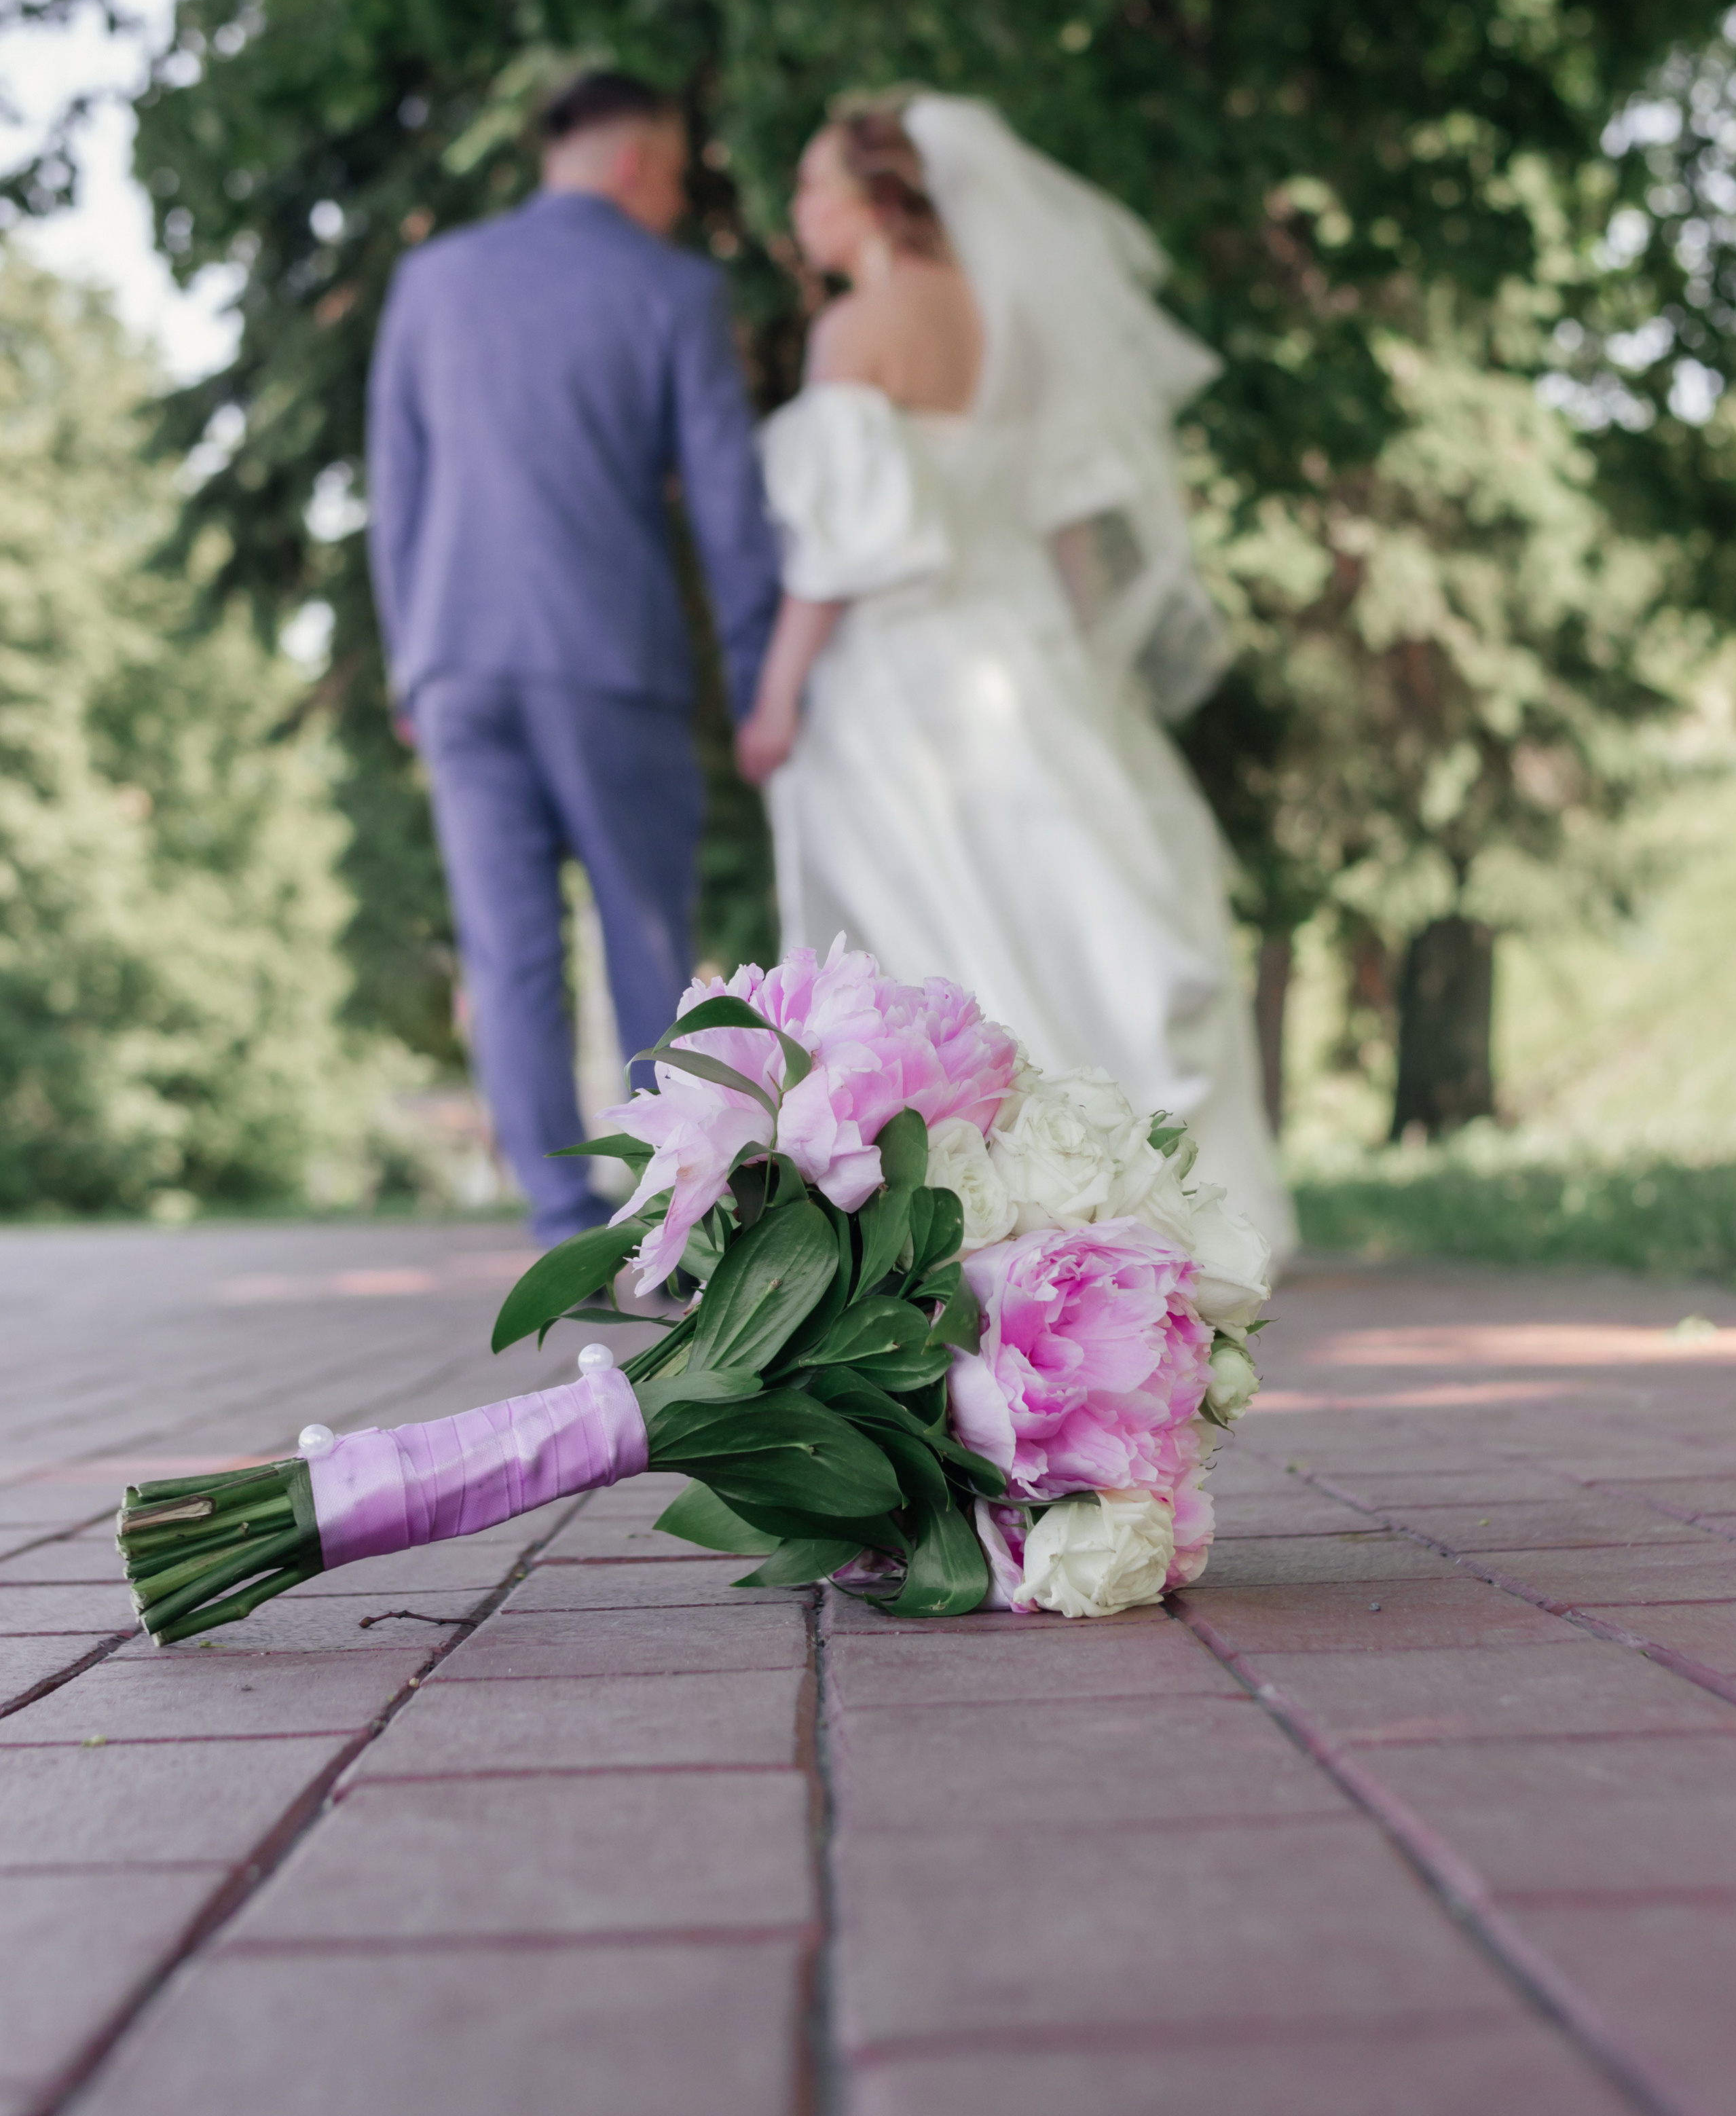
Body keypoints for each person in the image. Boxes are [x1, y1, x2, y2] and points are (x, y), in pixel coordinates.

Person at [735, 95, 1295, 1257]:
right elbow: (1074, 538)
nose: (800, 214)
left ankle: (986, 1213)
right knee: (1070, 913)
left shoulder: (856, 333)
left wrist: (778, 693)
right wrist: (1083, 670)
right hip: (1026, 657)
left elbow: (841, 553)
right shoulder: (1022, 325)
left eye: (812, 187)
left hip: (906, 675)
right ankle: (1144, 1192)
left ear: (879, 197)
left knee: (936, 927)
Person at [367, 70, 781, 1244]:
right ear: (641, 160)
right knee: (645, 935)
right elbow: (727, 506)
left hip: (453, 656)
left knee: (507, 950)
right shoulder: (673, 288)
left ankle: (559, 1219)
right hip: (607, 654)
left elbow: (396, 489)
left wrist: (412, 665)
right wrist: (757, 680)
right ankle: (671, 1211)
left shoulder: (432, 279)